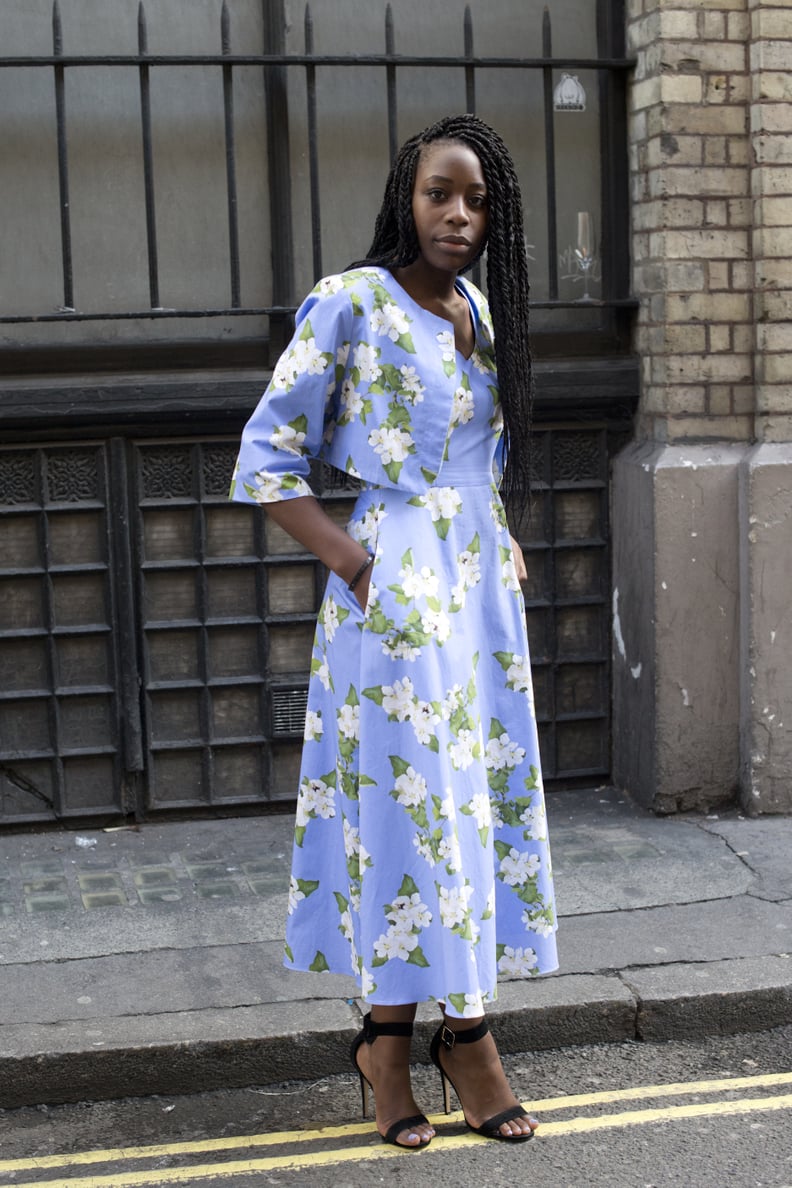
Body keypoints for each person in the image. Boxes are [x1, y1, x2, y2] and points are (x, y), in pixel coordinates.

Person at [230, 113, 558, 1150]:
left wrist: (497, 533)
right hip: (398, 590)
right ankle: (392, 1036)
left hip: (477, 603)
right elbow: (266, 460)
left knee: (471, 808)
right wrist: (359, 563)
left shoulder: (480, 308)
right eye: (438, 194)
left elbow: (479, 452)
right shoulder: (352, 302)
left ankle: (462, 1035)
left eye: (477, 199)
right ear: (404, 201)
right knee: (409, 816)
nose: (458, 215)